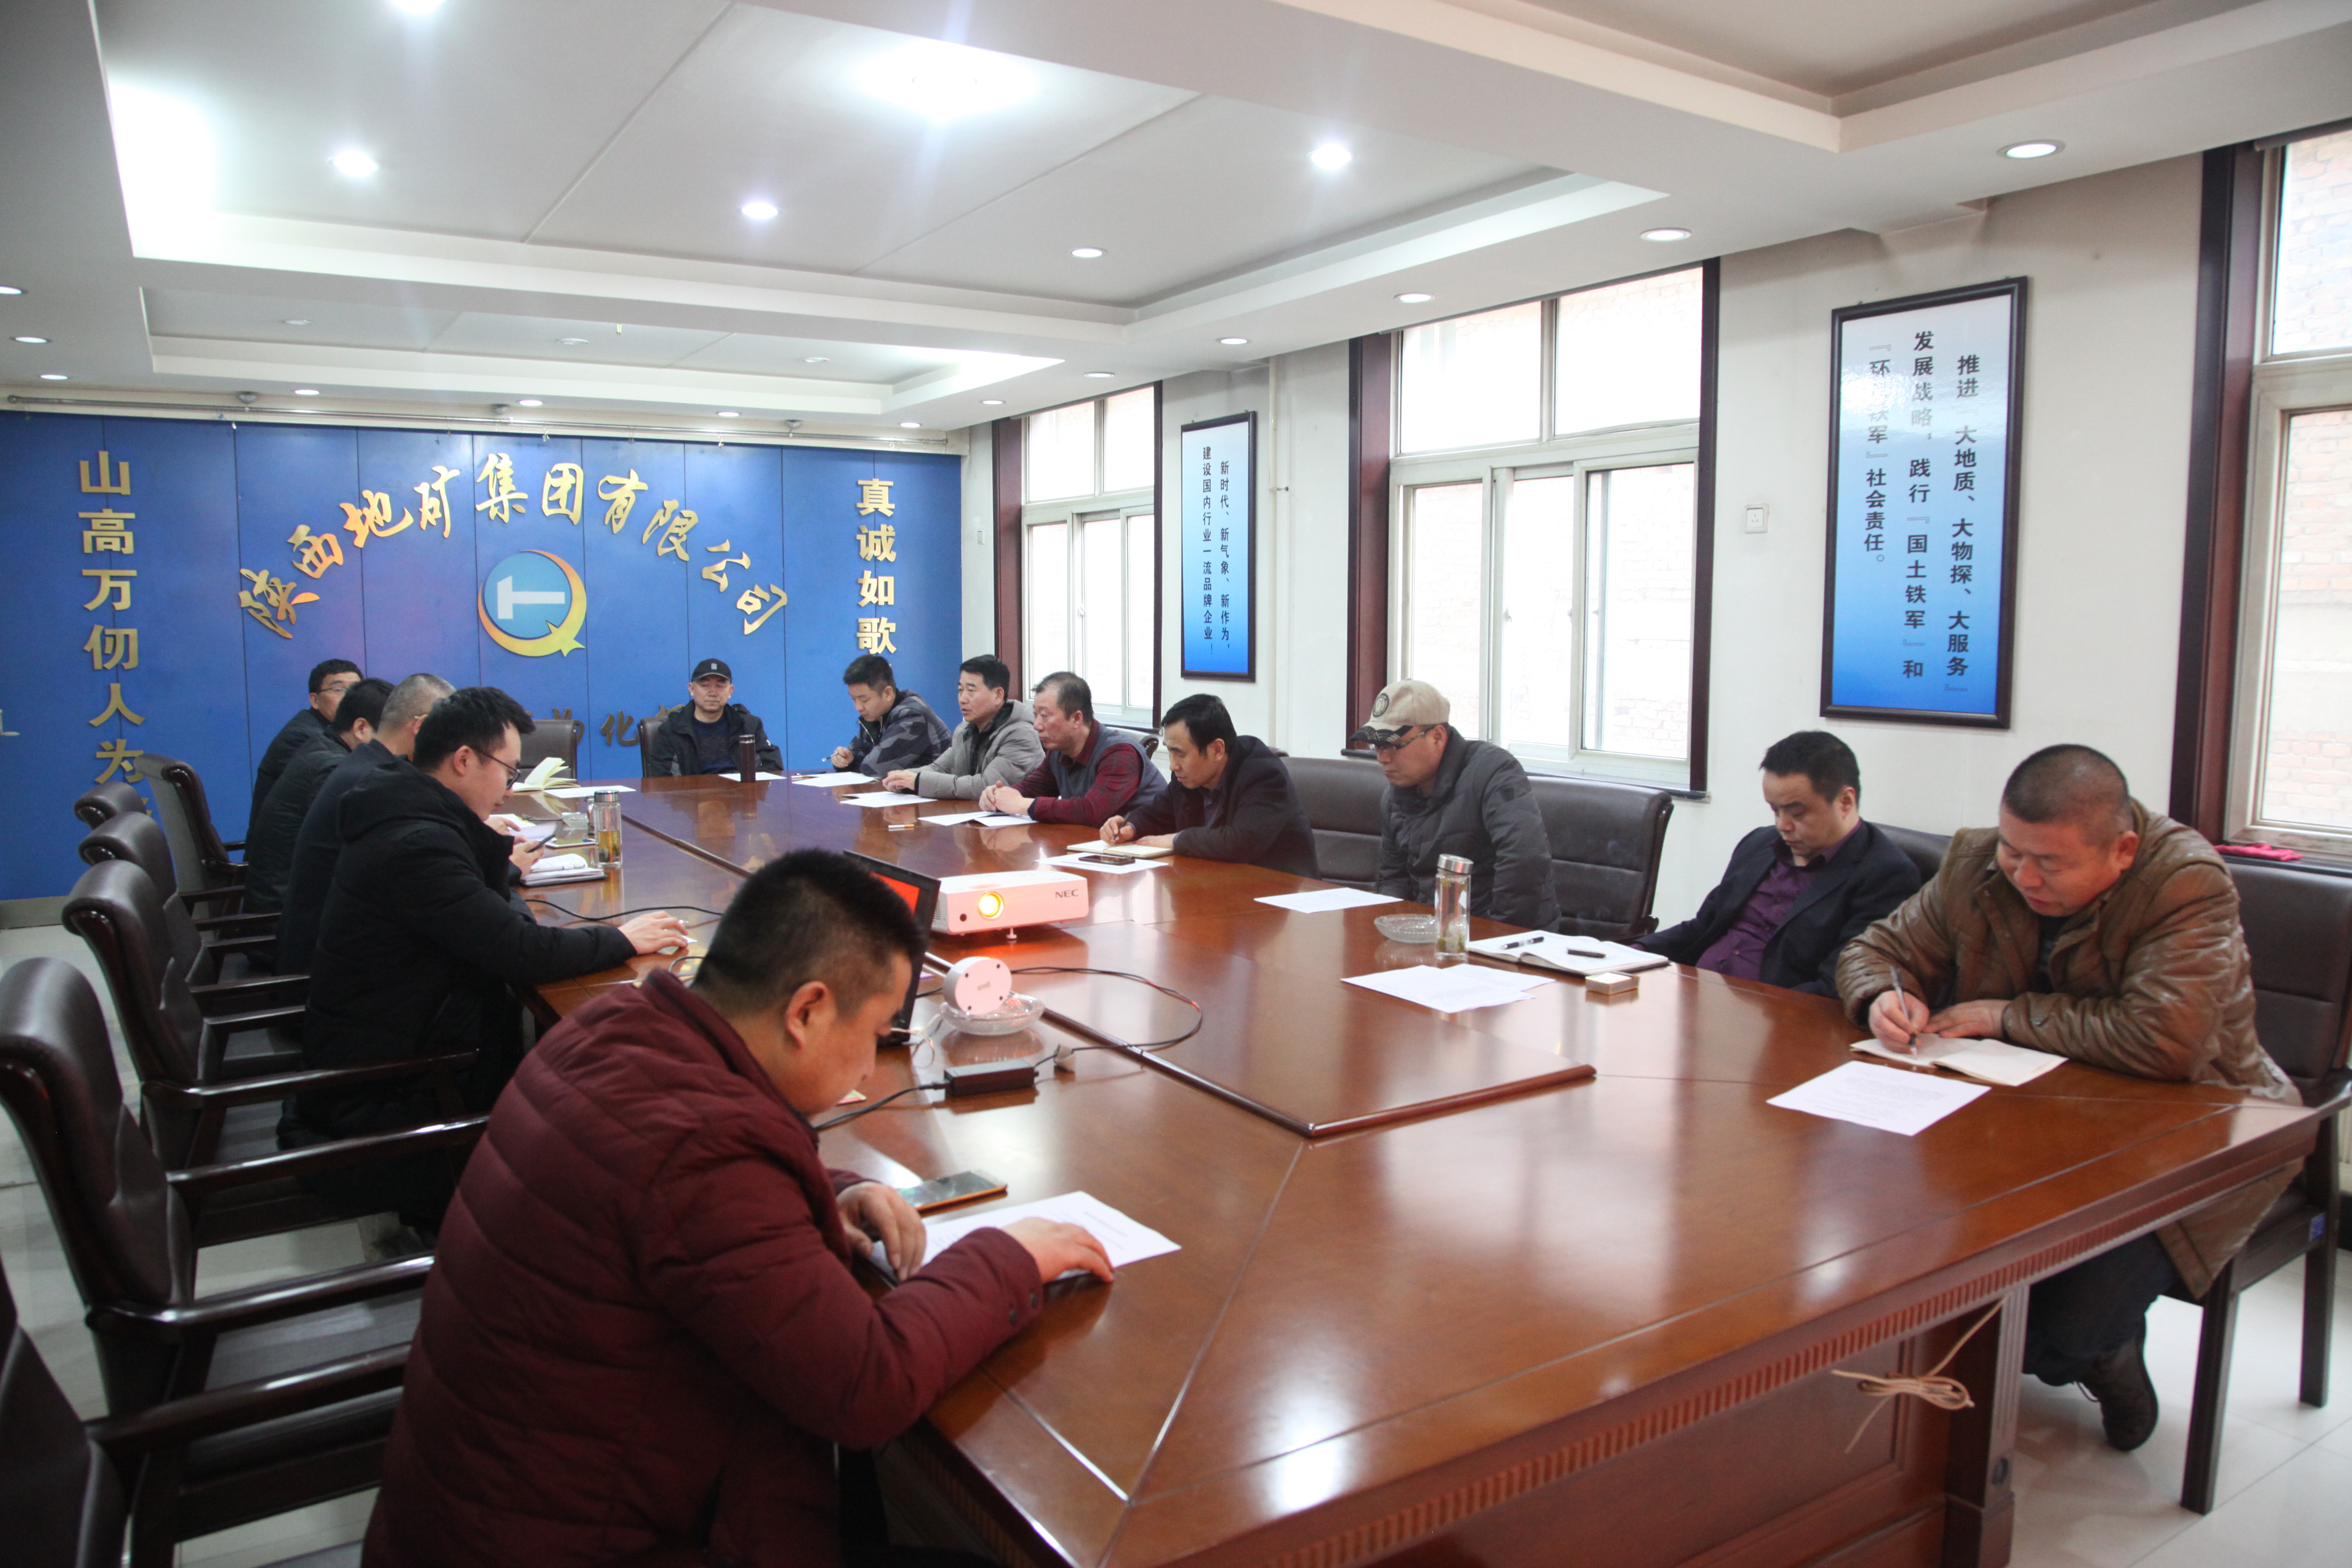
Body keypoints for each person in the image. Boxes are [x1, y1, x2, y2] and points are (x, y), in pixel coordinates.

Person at [362, 850, 1111, 1568]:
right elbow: (866, 1385)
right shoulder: (704, 1152)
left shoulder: (612, 1026)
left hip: (468, 1521)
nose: (868, 1062)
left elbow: (685, 1188)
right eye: (875, 1034)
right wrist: (1012, 1256)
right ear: (807, 1011)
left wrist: (830, 1189)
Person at [1836, 744, 2297, 1452]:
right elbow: (1874, 950)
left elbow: (2164, 1040)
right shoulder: (1976, 862)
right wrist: (1881, 997)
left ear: (2123, 850)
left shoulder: (2184, 882)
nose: (2023, 875)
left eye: (2049, 863)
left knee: (2057, 1330)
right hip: (2023, 1120)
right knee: (1911, 1261)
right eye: (2014, 851)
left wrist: (2003, 1015)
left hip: (2194, 1132)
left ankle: (2109, 1354)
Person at [287, 686, 691, 1233]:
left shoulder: (405, 810)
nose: (510, 789)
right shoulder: (416, 843)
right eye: (507, 770)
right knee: (604, 1105)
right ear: (463, 760)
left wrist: (501, 875)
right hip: (391, 1098)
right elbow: (521, 951)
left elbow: (484, 913)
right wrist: (622, 939)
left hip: (408, 1050)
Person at [1639, 731, 1921, 995]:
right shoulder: (1759, 844)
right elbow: (1703, 929)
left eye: (1797, 814)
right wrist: (1632, 953)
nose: (1782, 825)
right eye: (1775, 810)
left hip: (1773, 1014)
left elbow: (1835, 986)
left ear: (1845, 801)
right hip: (1696, 993)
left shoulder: (1886, 875)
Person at [276, 673, 452, 974]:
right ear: (422, 727)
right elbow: (424, 874)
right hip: (325, 970)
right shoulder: (374, 782)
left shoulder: (366, 764)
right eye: (448, 733)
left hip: (320, 942)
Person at [1359, 678, 1558, 930]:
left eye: (1394, 745)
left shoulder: (1494, 772)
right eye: (1377, 745)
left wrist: (1497, 936)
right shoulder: (1394, 796)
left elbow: (1524, 860)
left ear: (1437, 737)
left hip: (1503, 935)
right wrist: (1394, 928)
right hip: (1431, 934)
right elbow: (1393, 878)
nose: (1382, 758)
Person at [1101, 693, 1318, 877]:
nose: (1173, 766)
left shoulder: (1264, 775)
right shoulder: (1188, 776)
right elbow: (1157, 814)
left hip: (1277, 893)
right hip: (1215, 884)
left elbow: (1241, 843)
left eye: (1180, 754)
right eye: (1170, 752)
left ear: (1217, 750)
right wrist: (1130, 827)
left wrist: (1176, 840)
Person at [240, 677, 392, 915]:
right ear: (361, 728)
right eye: (389, 734)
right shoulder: (334, 768)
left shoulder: (323, 746)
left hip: (287, 897)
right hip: (284, 913)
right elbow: (353, 852)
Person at [979, 671, 1163, 828]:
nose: (1036, 725)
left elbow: (1091, 811)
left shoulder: (1121, 753)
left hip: (1147, 849)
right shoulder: (1059, 750)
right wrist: (998, 797)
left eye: (1044, 716)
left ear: (1076, 719)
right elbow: (1035, 788)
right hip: (1092, 845)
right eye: (1036, 715)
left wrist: (1023, 805)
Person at [882, 653, 1042, 799]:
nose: (963, 699)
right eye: (960, 690)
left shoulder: (1022, 734)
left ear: (998, 695)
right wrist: (903, 778)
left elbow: (986, 786)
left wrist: (917, 782)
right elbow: (939, 769)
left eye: (971, 691)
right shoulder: (964, 730)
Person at [251, 658, 361, 823]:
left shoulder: (335, 731)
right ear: (315, 700)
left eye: (355, 690)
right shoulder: (302, 737)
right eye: (339, 690)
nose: (349, 698)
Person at [643, 658, 782, 776]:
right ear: (692, 689)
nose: (713, 693)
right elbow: (663, 779)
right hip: (693, 798)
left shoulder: (749, 725)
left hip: (741, 797)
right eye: (705, 685)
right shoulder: (672, 730)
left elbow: (772, 766)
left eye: (720, 686)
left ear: (730, 691)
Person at [828, 653, 949, 777]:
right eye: (853, 699)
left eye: (864, 700)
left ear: (887, 694)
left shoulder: (912, 716)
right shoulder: (877, 714)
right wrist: (848, 760)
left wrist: (858, 763)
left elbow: (874, 768)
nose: (858, 707)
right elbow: (858, 752)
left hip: (934, 787)